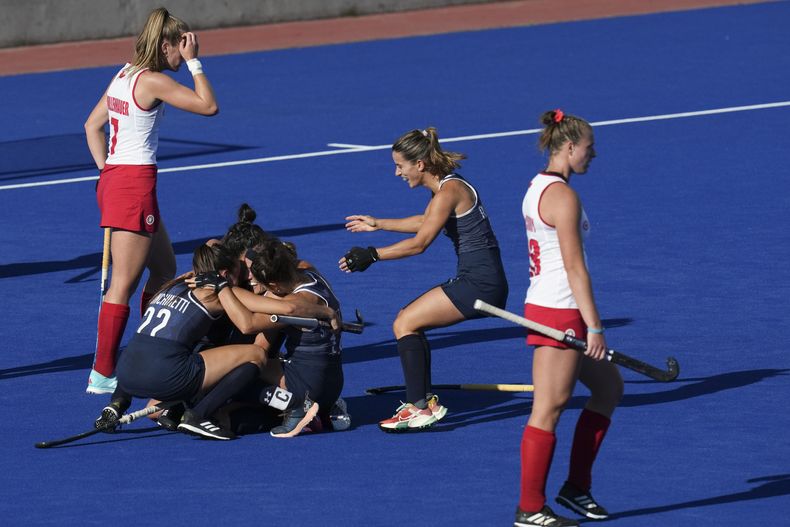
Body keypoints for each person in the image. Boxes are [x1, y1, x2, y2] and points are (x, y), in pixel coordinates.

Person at [83, 7, 219, 394]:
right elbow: (208, 105)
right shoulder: (153, 81)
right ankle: (102, 373)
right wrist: (195, 64)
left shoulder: (123, 73)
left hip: (118, 180)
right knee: (122, 284)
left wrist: (106, 171)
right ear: (166, 45)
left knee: (164, 267)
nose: (185, 50)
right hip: (133, 185)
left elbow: (91, 126)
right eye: (181, 45)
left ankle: (153, 348)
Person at [339, 127, 508, 432]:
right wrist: (379, 224)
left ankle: (419, 408)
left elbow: (420, 243)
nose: (396, 173)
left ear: (419, 165)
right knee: (408, 321)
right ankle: (422, 402)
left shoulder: (449, 191)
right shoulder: (444, 188)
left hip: (480, 283)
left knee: (405, 323)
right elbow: (425, 221)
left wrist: (373, 255)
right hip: (480, 278)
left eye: (400, 165)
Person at [94, 243, 339, 440]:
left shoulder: (174, 284)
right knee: (255, 356)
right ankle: (198, 415)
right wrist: (327, 313)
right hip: (165, 372)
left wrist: (117, 405)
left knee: (157, 407)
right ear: (223, 274)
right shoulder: (218, 290)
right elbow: (278, 310)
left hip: (126, 373)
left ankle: (123, 405)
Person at [514, 110, 623, 527]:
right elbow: (575, 268)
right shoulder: (562, 196)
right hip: (560, 311)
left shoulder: (537, 186)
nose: (593, 155)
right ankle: (530, 508)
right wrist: (594, 326)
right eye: (590, 148)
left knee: (608, 387)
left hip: (552, 305)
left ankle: (576, 487)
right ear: (570, 145)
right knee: (549, 408)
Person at [246, 238, 346, 437]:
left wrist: (226, 291)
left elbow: (254, 336)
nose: (251, 280)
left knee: (244, 374)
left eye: (258, 280)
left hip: (307, 387)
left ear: (273, 284)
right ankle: (325, 410)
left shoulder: (288, 302)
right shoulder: (311, 273)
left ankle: (296, 409)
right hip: (334, 385)